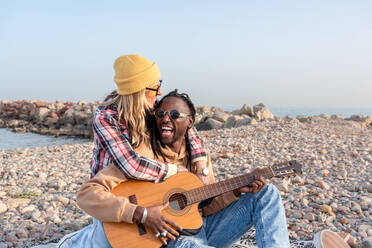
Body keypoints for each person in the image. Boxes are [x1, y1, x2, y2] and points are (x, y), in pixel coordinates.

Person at [57, 90, 290, 248]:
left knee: (266, 194)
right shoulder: (140, 157)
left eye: (175, 114)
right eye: (160, 114)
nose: (165, 119)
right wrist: (142, 214)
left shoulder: (199, 158)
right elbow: (87, 195)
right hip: (169, 241)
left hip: (201, 229)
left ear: (190, 122)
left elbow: (203, 209)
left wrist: (237, 192)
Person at [90, 54, 210, 184]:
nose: (160, 92)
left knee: (203, 156)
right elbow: (130, 165)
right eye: (155, 88)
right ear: (138, 92)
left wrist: (200, 164)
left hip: (145, 182)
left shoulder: (150, 105)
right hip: (113, 187)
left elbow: (186, 125)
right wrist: (175, 170)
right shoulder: (106, 118)